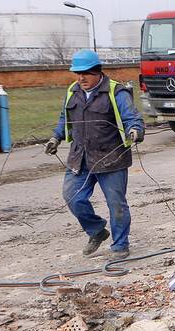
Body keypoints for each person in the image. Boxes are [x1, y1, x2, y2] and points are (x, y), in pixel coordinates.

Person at [45, 49, 145, 258]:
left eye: (86, 73)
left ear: (98, 72)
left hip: (111, 158)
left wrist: (135, 131)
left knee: (116, 204)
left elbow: (132, 118)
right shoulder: (73, 91)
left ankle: (120, 245)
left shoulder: (116, 92)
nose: (81, 78)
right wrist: (56, 137)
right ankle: (97, 231)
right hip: (80, 158)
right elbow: (65, 118)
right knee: (72, 197)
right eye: (78, 73)